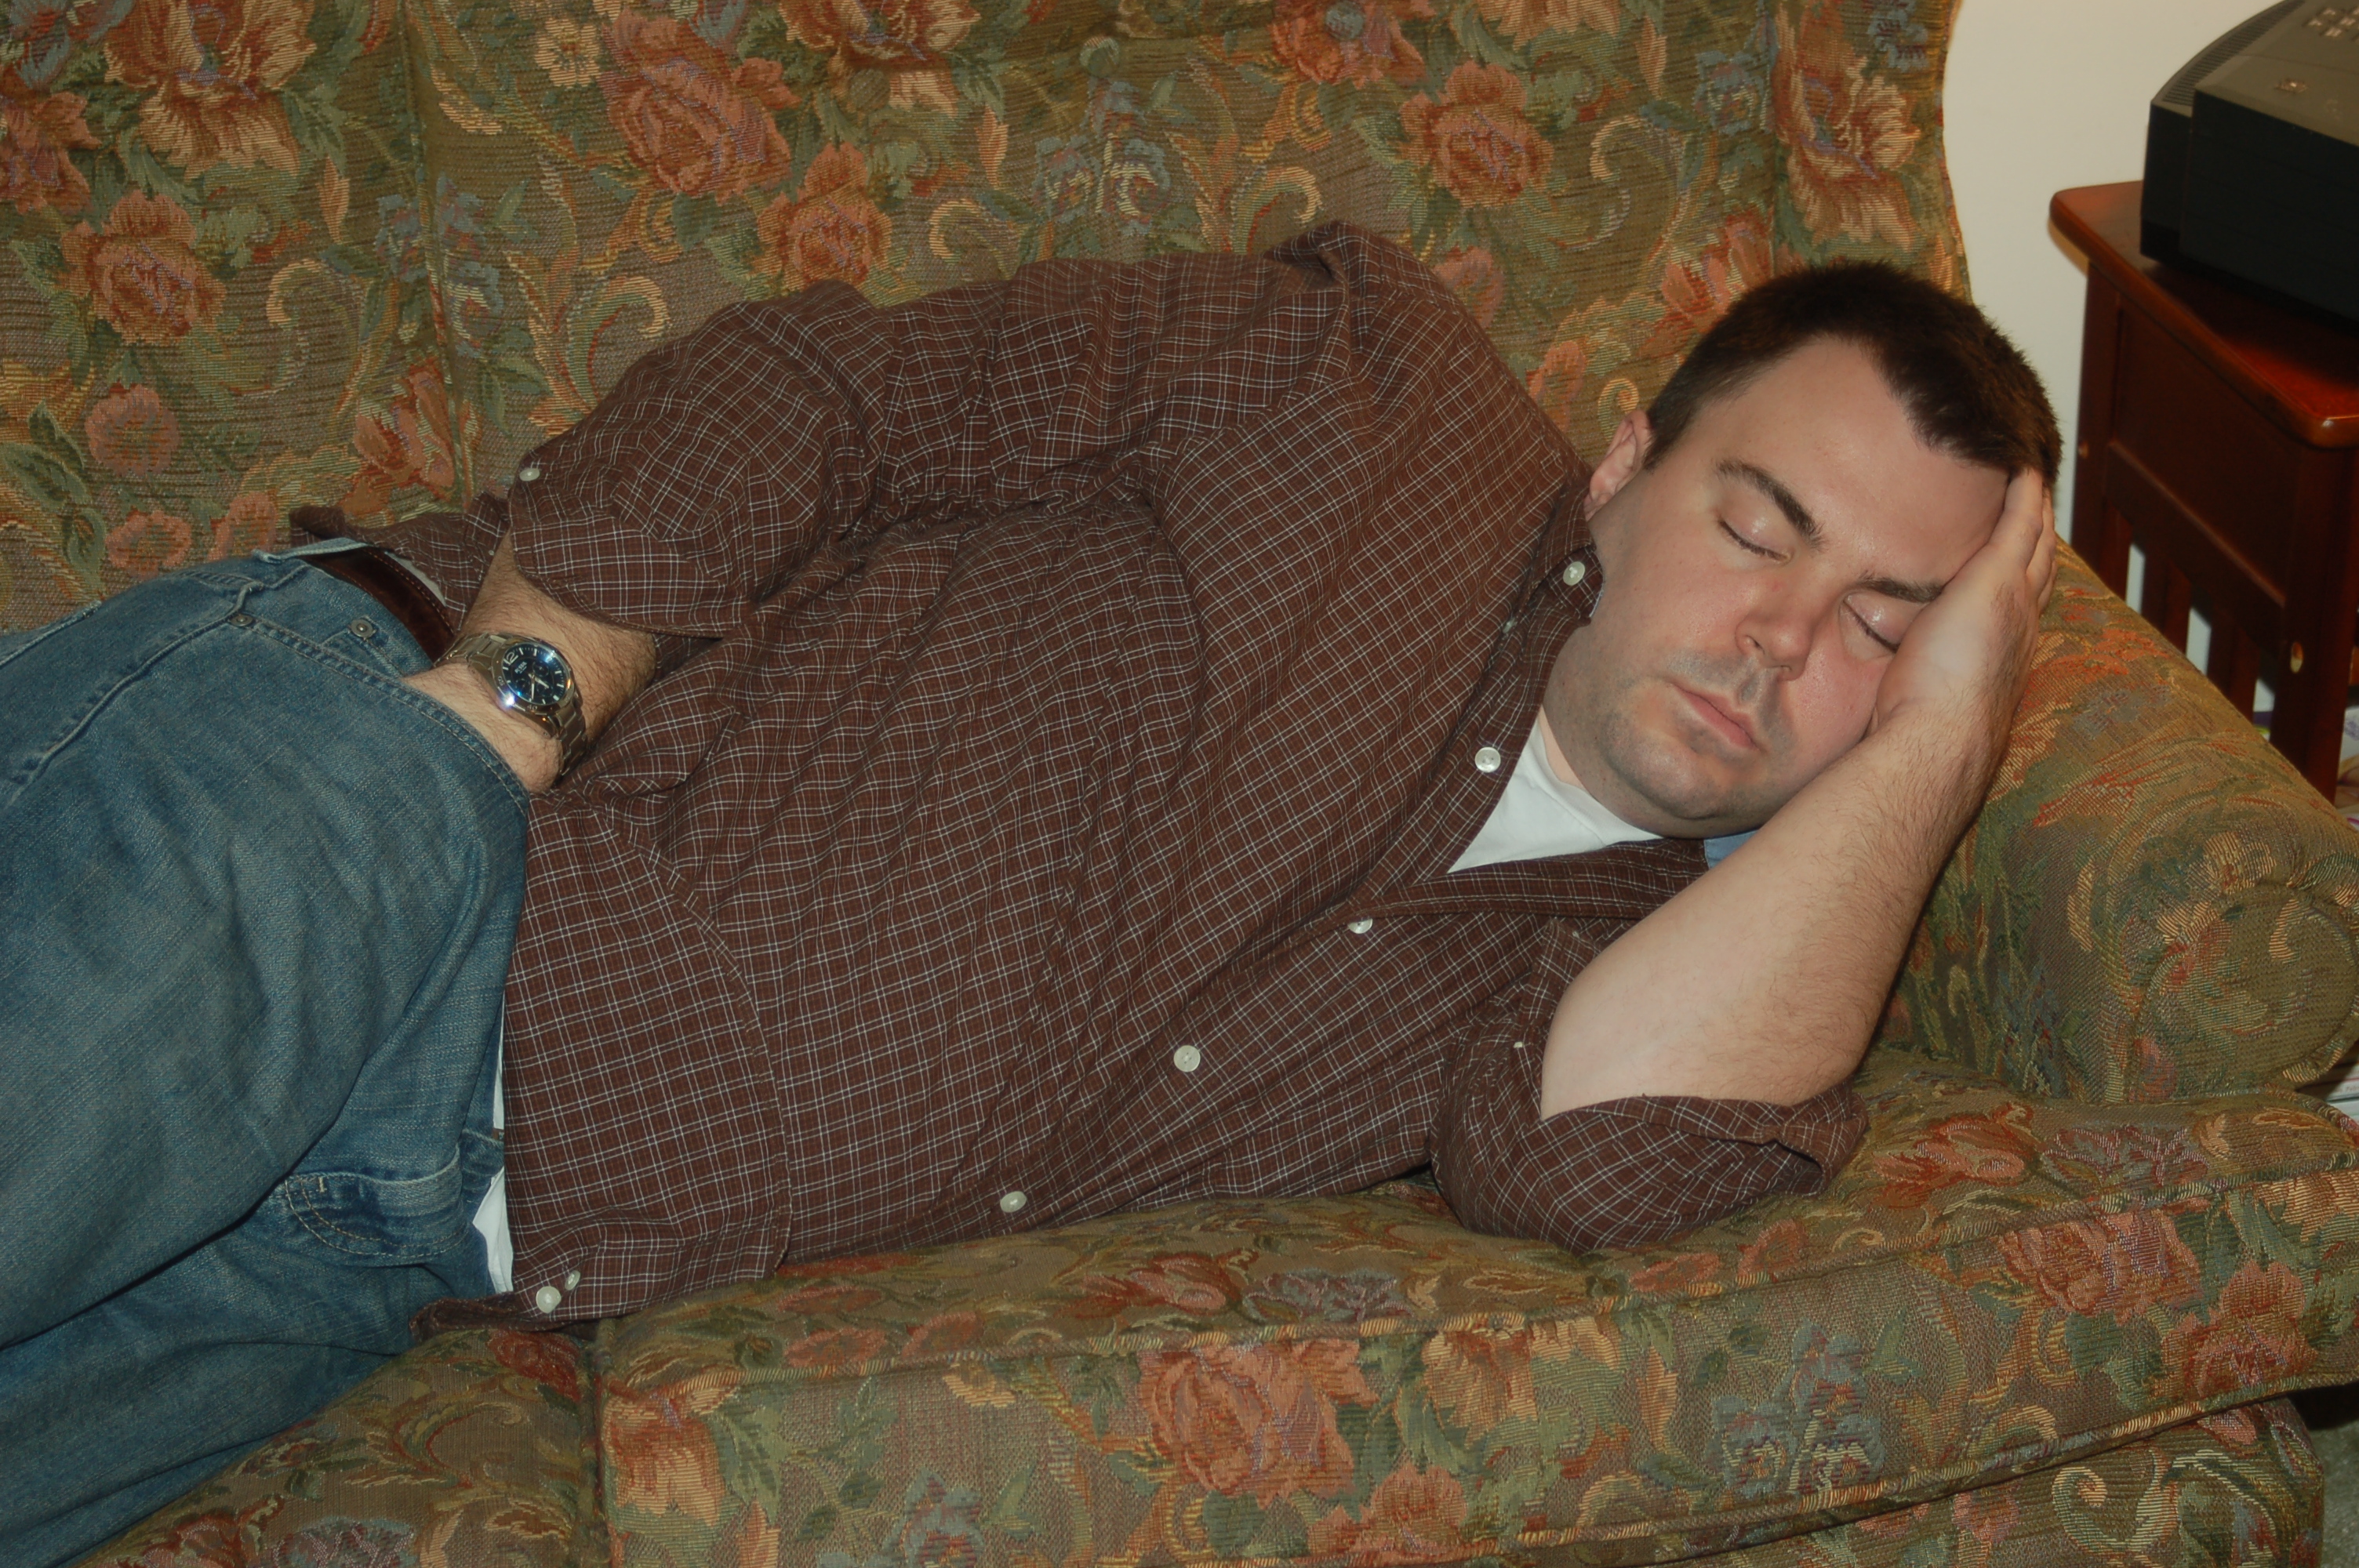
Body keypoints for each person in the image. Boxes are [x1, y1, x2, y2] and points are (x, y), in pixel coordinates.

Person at [0, 222, 2057, 1565]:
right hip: (383, 815)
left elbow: (1581, 1167)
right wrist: (501, 719)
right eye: (1758, 527)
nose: (1784, 640)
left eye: (1885, 623)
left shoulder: (1656, 958)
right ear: (1622, 467)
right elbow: (825, 391)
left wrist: (1945, 744)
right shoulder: (1370, 388)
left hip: (395, 1256)